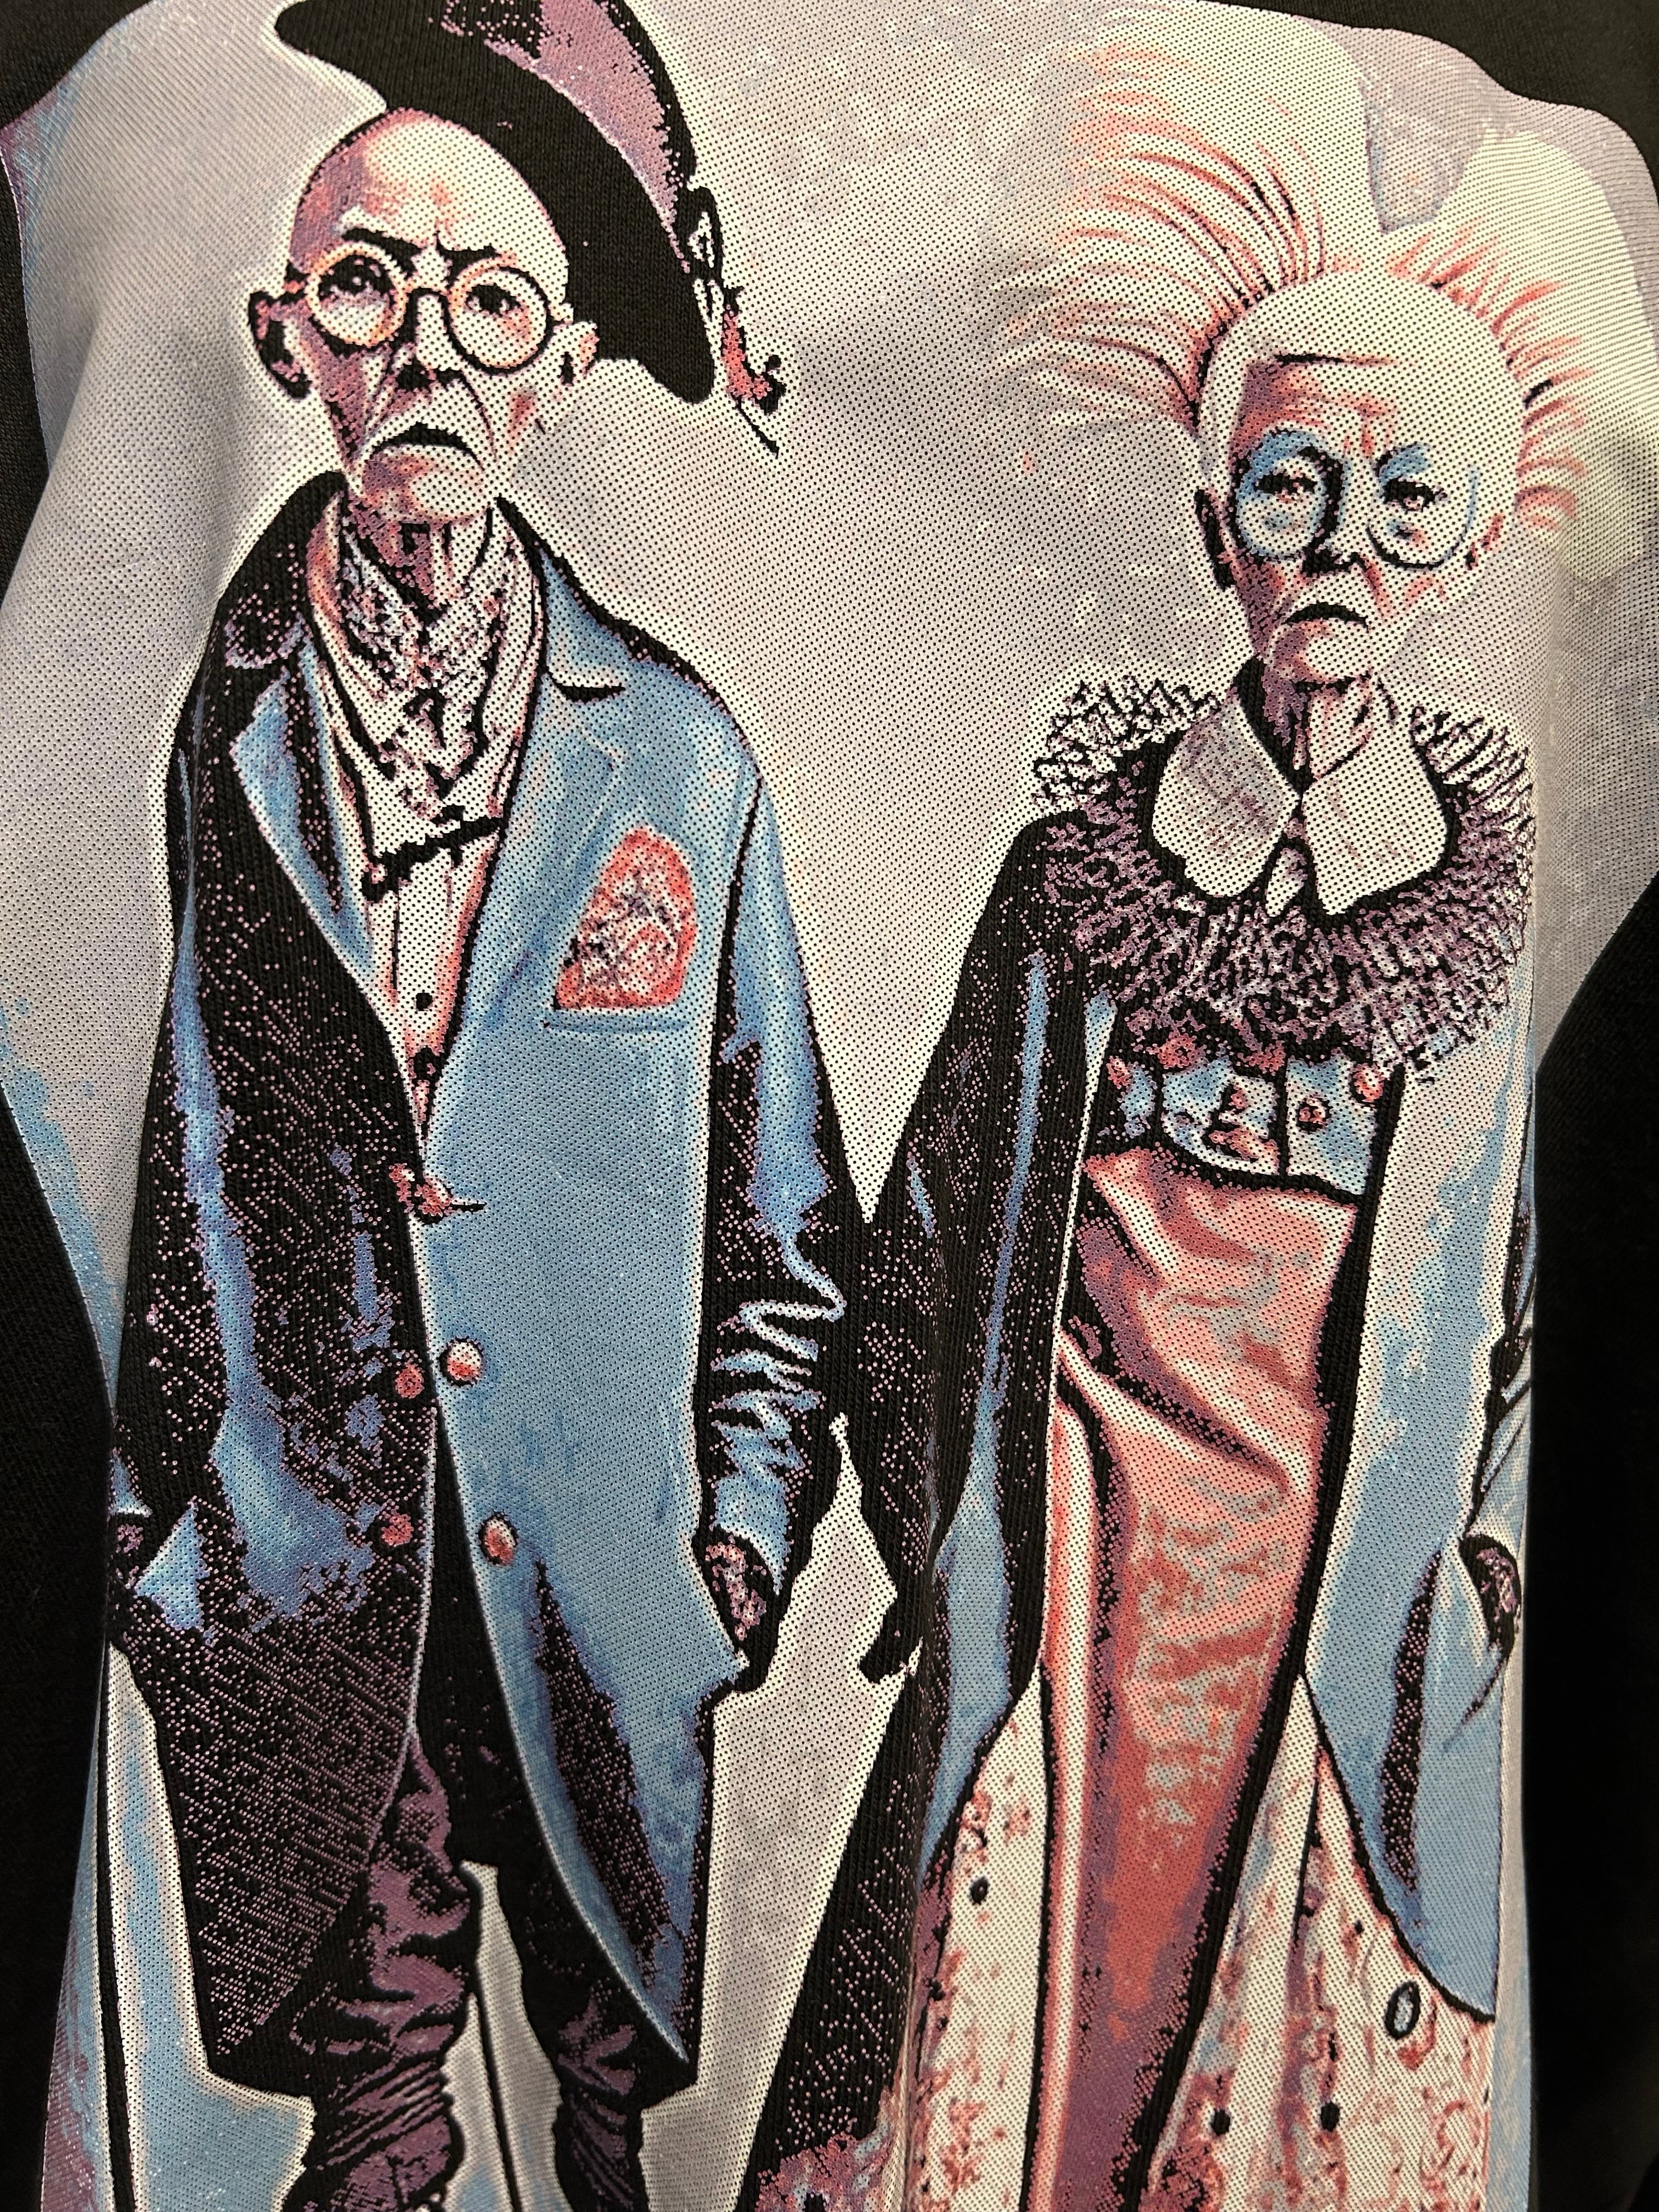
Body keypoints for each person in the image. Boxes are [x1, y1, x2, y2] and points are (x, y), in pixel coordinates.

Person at [738, 14, 1657, 2210]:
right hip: (1067, 1597)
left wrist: (1481, 1569)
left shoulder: (1482, 911)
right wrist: (953, 1533)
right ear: (1211, 523)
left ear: (1465, 553)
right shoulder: (1076, 877)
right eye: (1289, 487)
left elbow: (1521, 1316)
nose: (1339, 545)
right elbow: (925, 1238)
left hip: (1336, 1623)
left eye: (1403, 501)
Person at [104, 4, 855, 2208]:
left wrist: (733, 1550)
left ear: (563, 367)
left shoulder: (679, 760)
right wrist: (164, 1537)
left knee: (605, 2132)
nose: (425, 348)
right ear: (287, 339)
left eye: (490, 302)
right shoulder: (219, 732)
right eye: (369, 285)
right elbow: (176, 1154)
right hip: (319, 1587)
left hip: (606, 1600)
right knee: (378, 2134)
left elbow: (785, 1226)